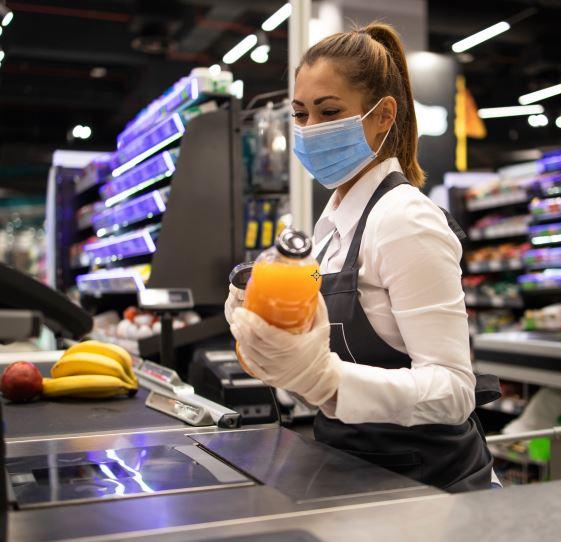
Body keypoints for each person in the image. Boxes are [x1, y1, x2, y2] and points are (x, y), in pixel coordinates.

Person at [226, 22, 500, 492]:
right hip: (352, 469)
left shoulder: (405, 220)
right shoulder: (330, 225)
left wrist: (328, 381)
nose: (309, 130)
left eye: (328, 111)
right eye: (300, 114)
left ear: (382, 116)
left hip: (429, 485)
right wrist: (273, 333)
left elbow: (455, 391)